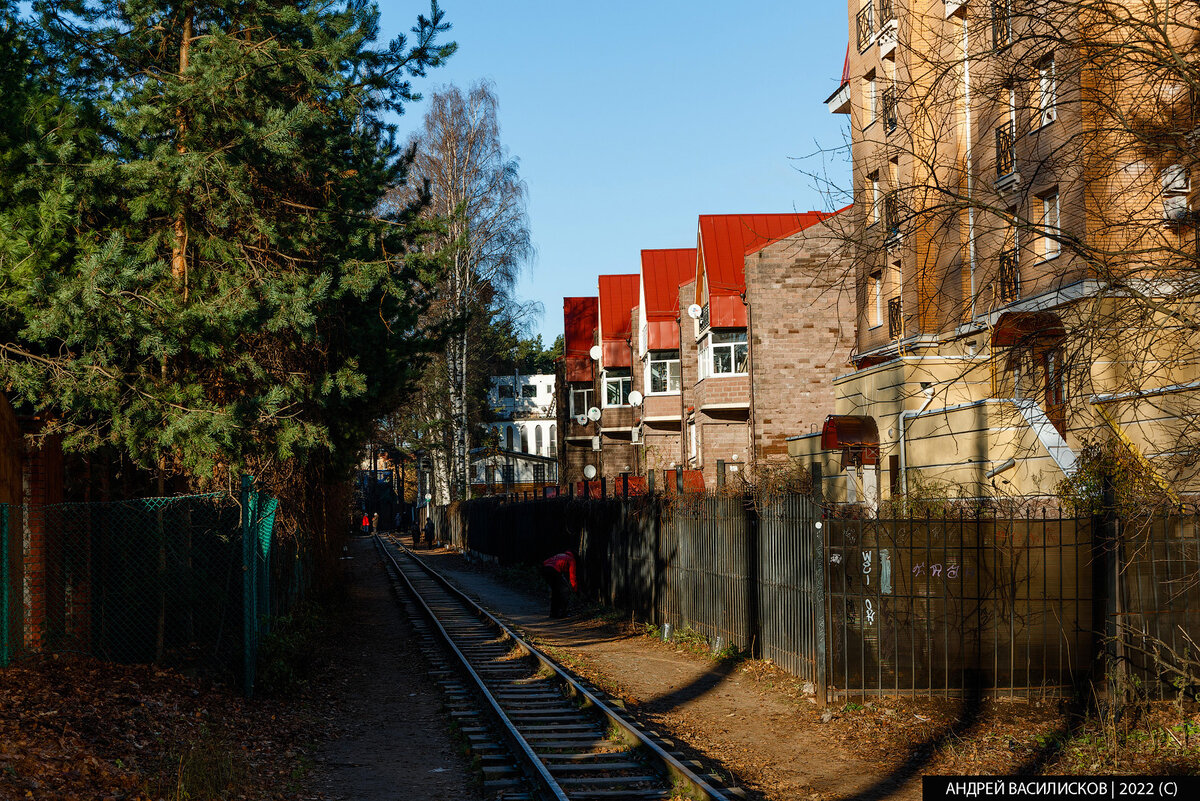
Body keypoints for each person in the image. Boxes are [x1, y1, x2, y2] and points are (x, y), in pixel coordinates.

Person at [541, 550, 578, 618]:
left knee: (555, 593)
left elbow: (545, 562)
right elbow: (572, 576)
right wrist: (575, 589)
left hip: (545, 570)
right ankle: (562, 613)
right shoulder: (571, 559)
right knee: (565, 592)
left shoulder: (559, 555)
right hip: (554, 571)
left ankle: (553, 614)